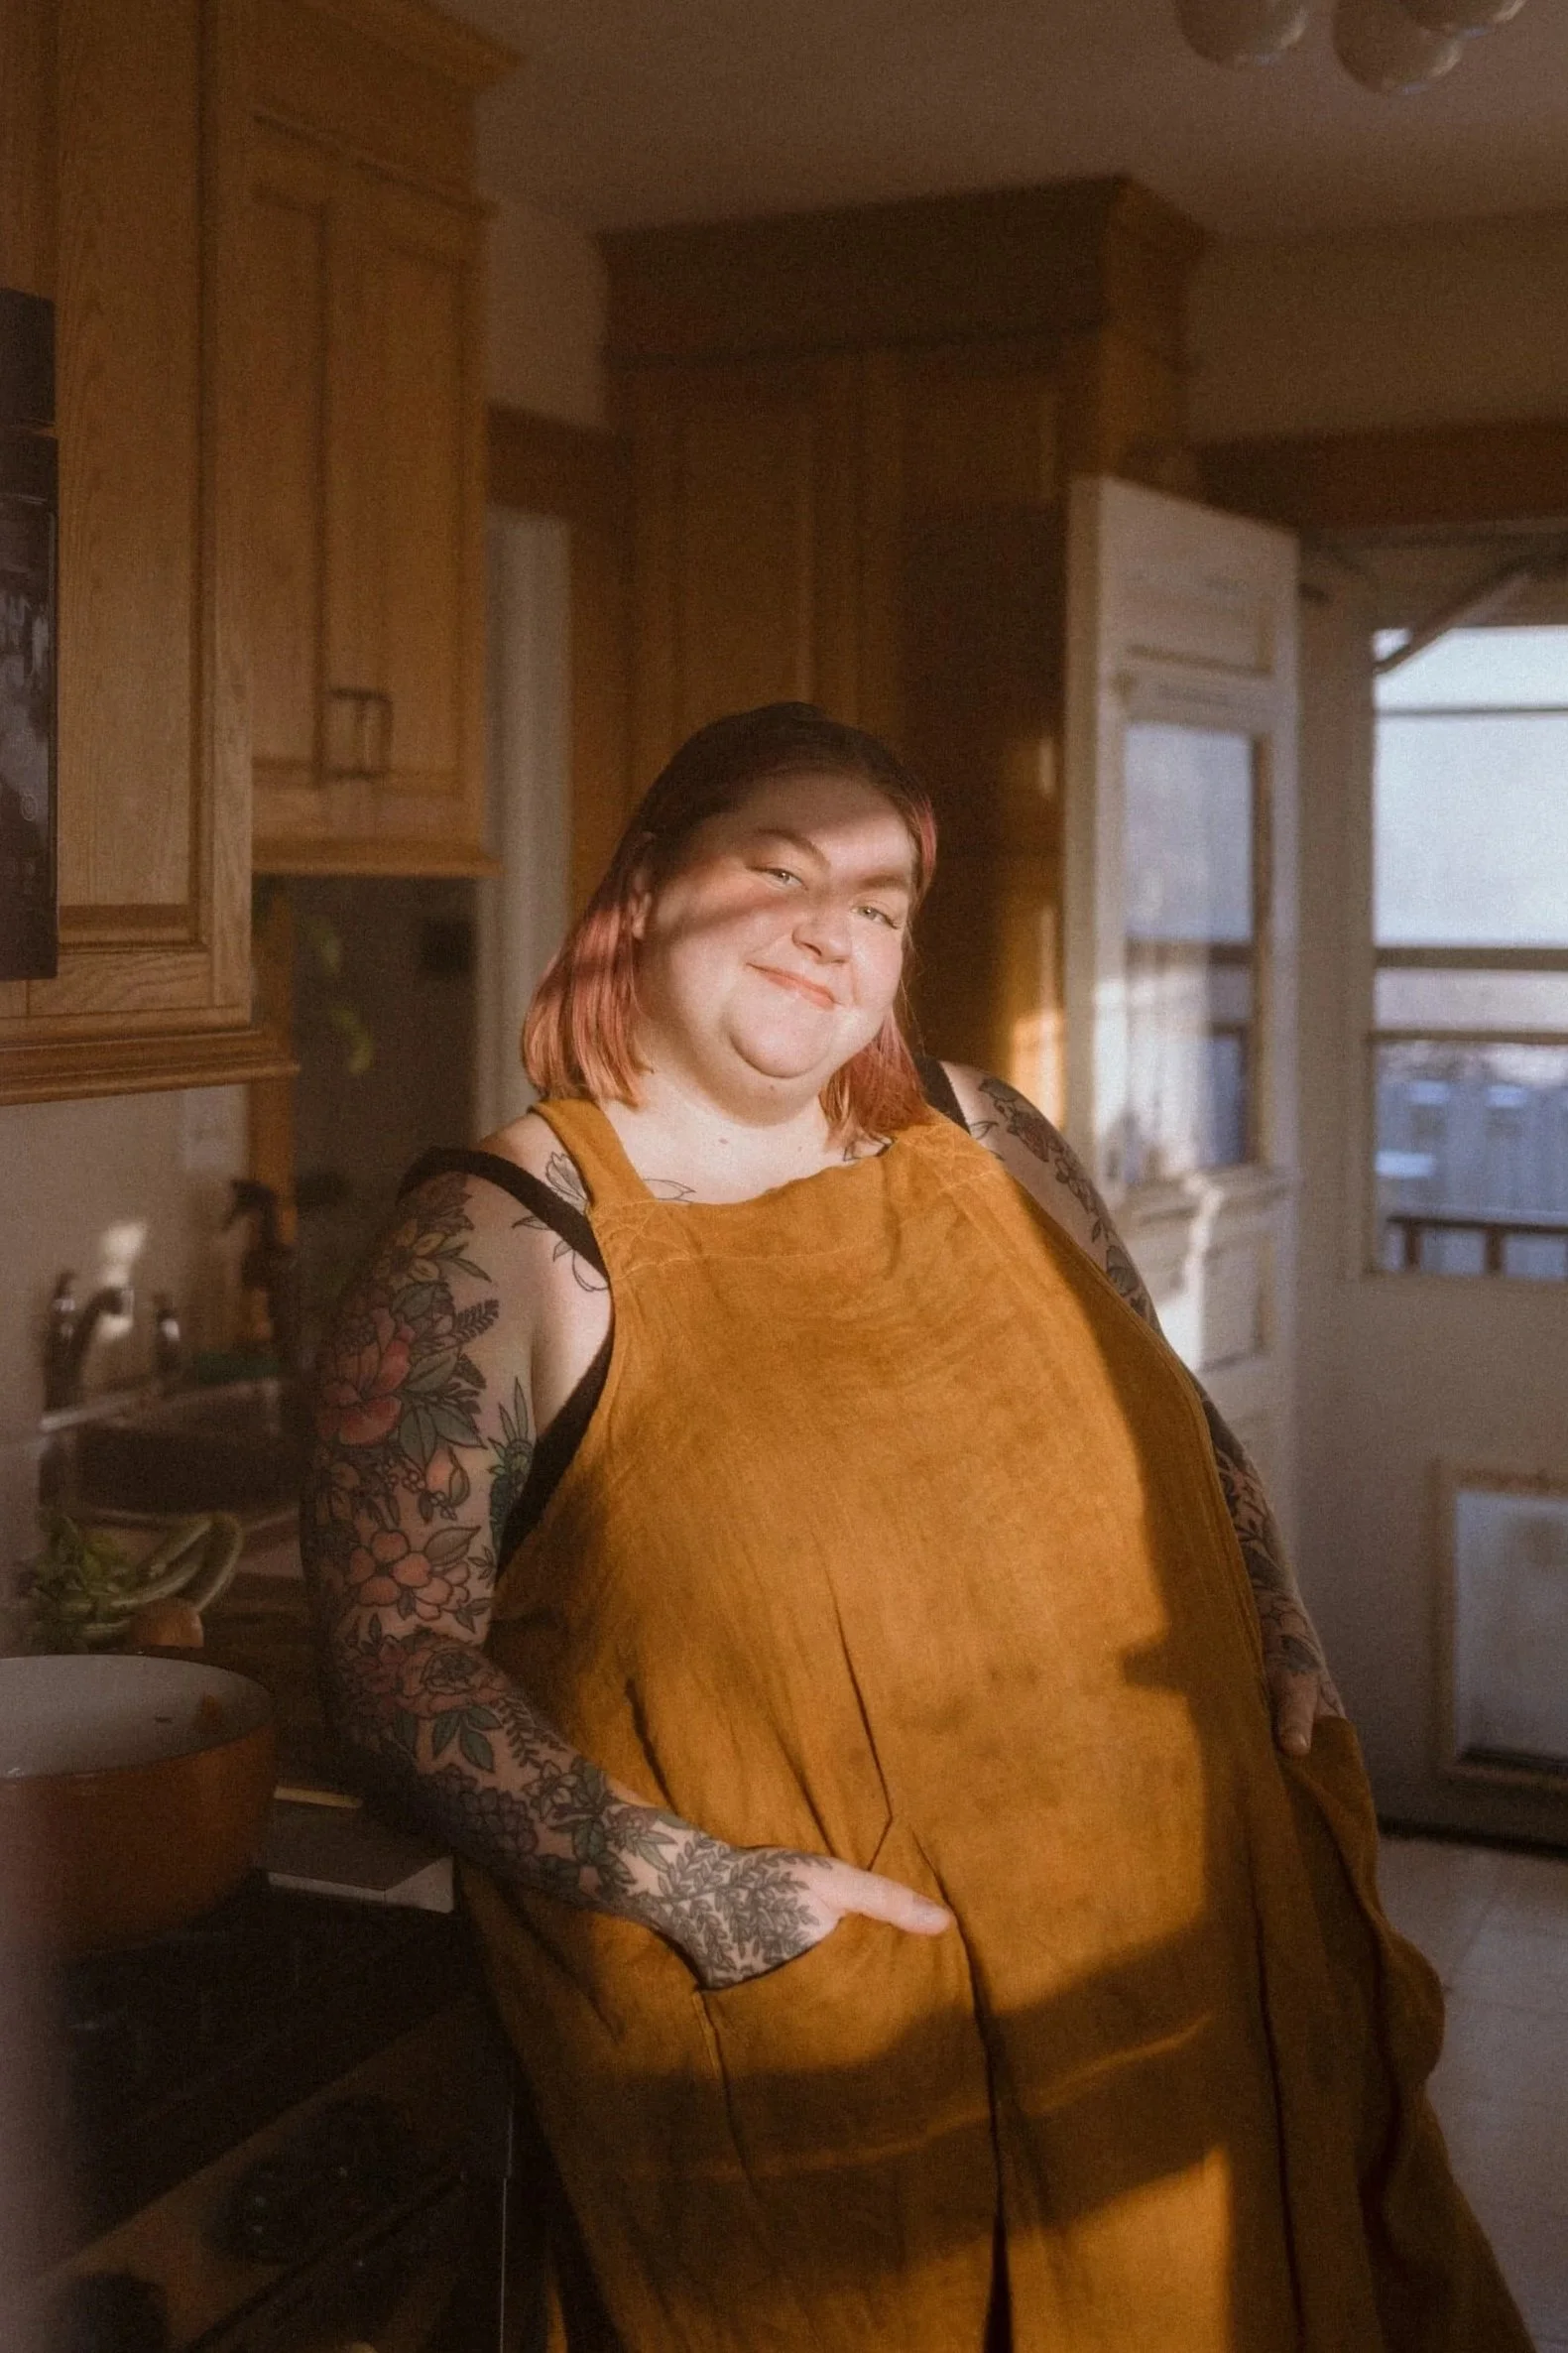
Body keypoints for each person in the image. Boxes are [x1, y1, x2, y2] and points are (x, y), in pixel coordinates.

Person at [303, 703, 1528, 2352]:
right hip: (861, 2067)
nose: (833, 937)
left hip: (1196, 1969)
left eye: (880, 911)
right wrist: (711, 1895)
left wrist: (1281, 1634)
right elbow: (392, 1673)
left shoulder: (989, 1136)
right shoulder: (501, 1247)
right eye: (783, 872)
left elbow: (1171, 1410)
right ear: (651, 886)